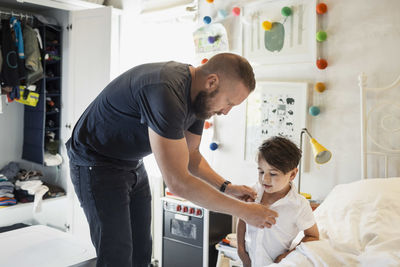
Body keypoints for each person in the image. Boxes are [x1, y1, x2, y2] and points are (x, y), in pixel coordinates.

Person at [65, 53, 278, 267]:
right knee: (117, 255)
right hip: (96, 162)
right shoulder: (165, 90)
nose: (225, 111)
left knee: (141, 252)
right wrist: (243, 211)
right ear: (212, 81)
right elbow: (178, 183)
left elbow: (191, 156)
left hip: (131, 163)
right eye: (228, 102)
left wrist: (227, 187)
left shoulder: (199, 100)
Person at [237, 136, 319, 267]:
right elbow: (242, 217)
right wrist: (240, 250)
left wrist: (287, 256)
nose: (265, 179)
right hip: (249, 261)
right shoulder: (252, 192)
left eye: (273, 174)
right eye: (261, 171)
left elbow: (313, 236)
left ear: (292, 174)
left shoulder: (299, 205)